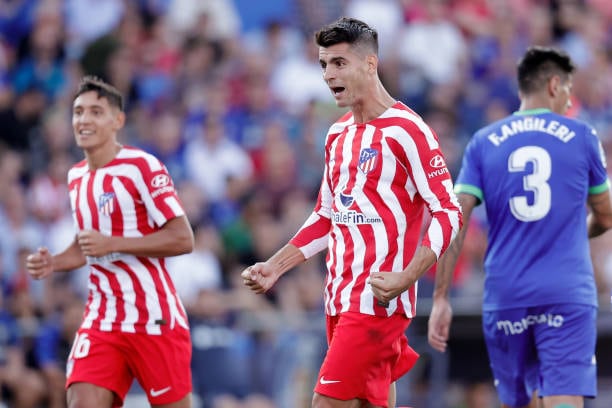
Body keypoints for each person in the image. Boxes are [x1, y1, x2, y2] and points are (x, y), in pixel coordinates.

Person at [241, 17, 462, 408]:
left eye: (339, 63)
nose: (328, 74)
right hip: (338, 298)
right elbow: (327, 216)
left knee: (324, 402)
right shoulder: (337, 134)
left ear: (370, 64)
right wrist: (276, 266)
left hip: (377, 301)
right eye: (324, 64)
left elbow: (448, 211)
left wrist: (407, 276)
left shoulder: (408, 131)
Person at [427, 45, 612, 408]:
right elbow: (606, 215)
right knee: (563, 395)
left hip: (507, 293)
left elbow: (455, 220)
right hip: (565, 289)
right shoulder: (582, 136)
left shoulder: (483, 141)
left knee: (522, 400)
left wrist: (441, 297)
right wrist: (573, 231)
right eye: (569, 90)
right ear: (555, 85)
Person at [25, 76, 195, 408]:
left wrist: (114, 243)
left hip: (152, 316)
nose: (83, 120)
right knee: (81, 400)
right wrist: (56, 262)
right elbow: (88, 241)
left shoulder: (141, 166)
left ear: (117, 120)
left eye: (95, 112)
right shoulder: (75, 177)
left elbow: (182, 238)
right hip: (102, 317)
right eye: (78, 112)